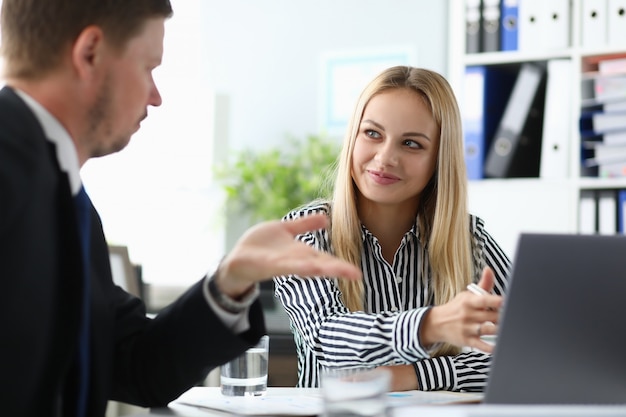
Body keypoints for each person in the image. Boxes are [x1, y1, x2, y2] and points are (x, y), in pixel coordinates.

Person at [0, 2, 362, 417]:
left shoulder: (69, 197)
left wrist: (230, 281)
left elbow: (138, 366)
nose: (156, 96)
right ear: (90, 54)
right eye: (149, 67)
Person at [273, 65, 511, 392]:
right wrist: (432, 325)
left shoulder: (469, 239)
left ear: (439, 159)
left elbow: (530, 347)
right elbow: (326, 338)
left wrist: (415, 376)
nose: (385, 158)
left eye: (411, 144)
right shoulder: (307, 233)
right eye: (372, 134)